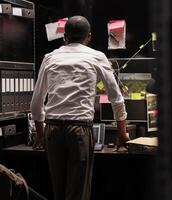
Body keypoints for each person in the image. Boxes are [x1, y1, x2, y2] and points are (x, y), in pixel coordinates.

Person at [30, 16, 129, 200]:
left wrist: (40, 134)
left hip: (52, 130)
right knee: (77, 193)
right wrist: (122, 134)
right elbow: (116, 98)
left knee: (58, 191)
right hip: (79, 130)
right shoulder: (96, 56)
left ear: (64, 36)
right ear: (89, 37)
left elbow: (36, 102)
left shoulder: (49, 57)